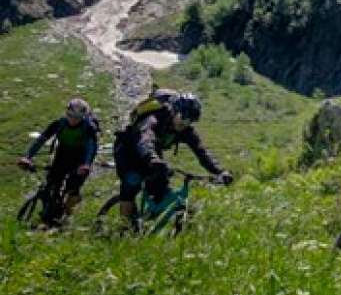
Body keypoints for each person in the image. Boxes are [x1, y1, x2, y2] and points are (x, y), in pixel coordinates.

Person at [113, 89, 232, 226]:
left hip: (152, 154)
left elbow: (202, 152)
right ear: (174, 110)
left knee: (161, 187)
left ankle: (147, 225)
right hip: (129, 149)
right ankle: (124, 228)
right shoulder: (153, 120)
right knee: (132, 182)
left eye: (190, 121)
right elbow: (145, 140)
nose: (185, 123)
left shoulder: (185, 129)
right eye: (183, 117)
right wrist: (153, 159)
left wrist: (219, 171)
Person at [17, 98, 100, 223]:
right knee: (51, 184)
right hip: (62, 156)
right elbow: (41, 140)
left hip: (80, 160)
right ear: (66, 113)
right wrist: (27, 157)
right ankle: (48, 212)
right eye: (70, 116)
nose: (73, 120)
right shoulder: (59, 124)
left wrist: (86, 164)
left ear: (83, 117)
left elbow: (91, 147)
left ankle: (67, 218)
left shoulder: (88, 128)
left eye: (77, 117)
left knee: (73, 188)